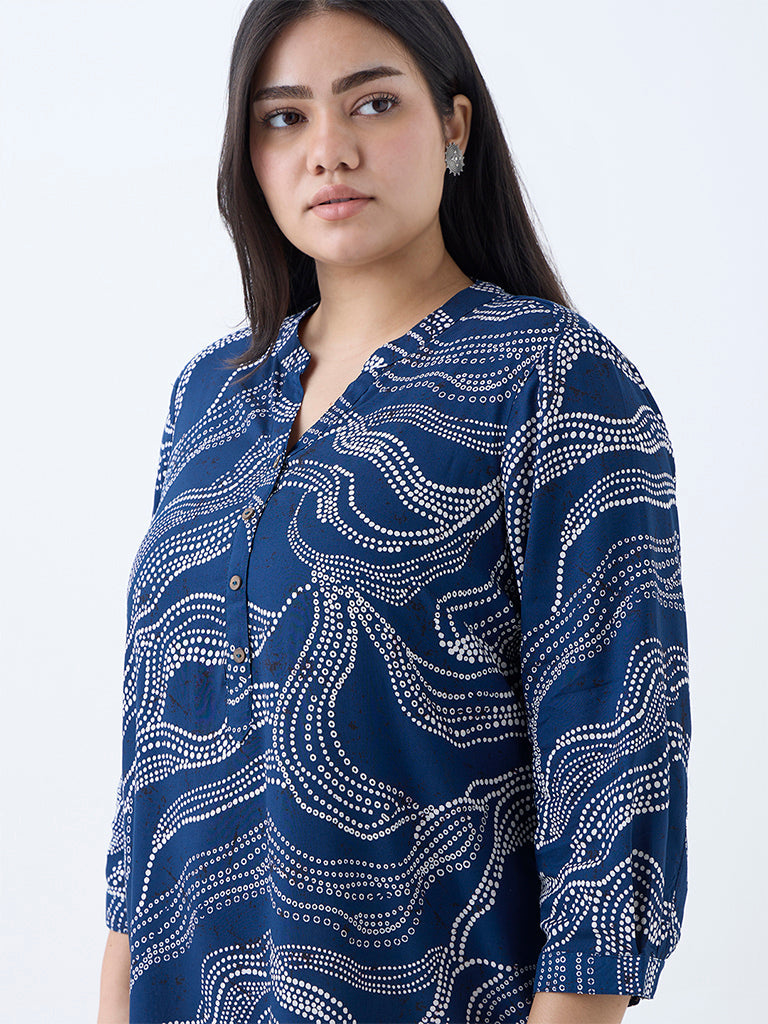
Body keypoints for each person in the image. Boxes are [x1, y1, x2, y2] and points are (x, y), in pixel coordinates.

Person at [97, 2, 691, 1022]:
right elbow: (151, 781)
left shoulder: (558, 385)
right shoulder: (211, 397)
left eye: (371, 103)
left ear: (455, 125)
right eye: (284, 118)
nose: (328, 151)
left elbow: (614, 775)